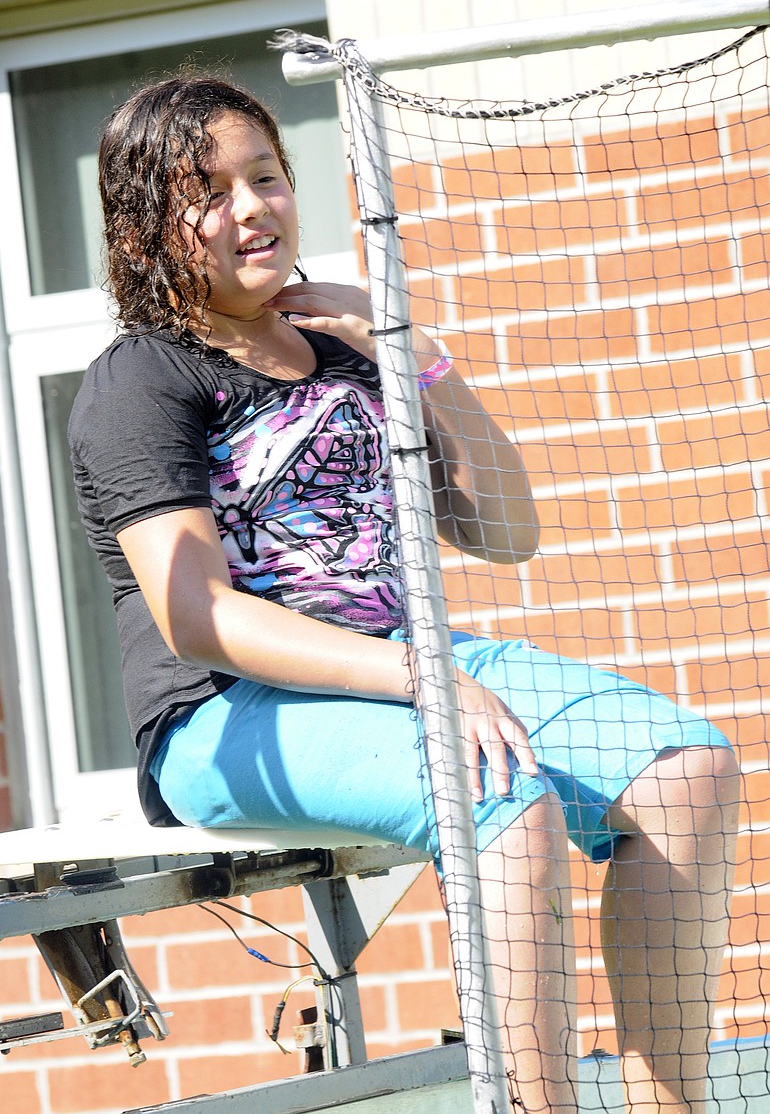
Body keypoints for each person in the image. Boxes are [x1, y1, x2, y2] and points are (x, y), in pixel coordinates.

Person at [68, 75, 740, 1114]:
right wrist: (425, 679)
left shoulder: (349, 352)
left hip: (403, 661)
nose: (252, 207)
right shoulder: (143, 378)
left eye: (266, 177)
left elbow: (507, 532)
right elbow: (197, 613)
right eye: (209, 191)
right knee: (497, 791)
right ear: (146, 224)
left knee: (686, 769)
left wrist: (418, 360)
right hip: (223, 711)